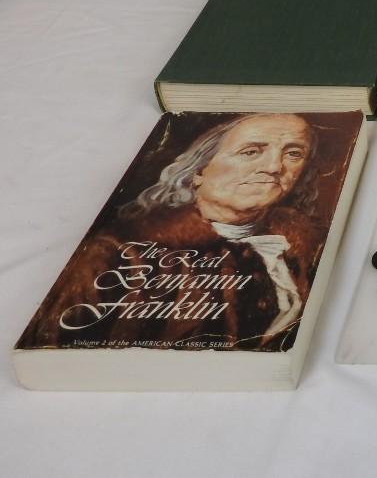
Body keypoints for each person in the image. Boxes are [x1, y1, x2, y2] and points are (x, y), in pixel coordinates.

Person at [23, 114, 328, 351]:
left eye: (293, 154)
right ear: (199, 172)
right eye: (250, 152)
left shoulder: (307, 249)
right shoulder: (119, 250)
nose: (274, 167)